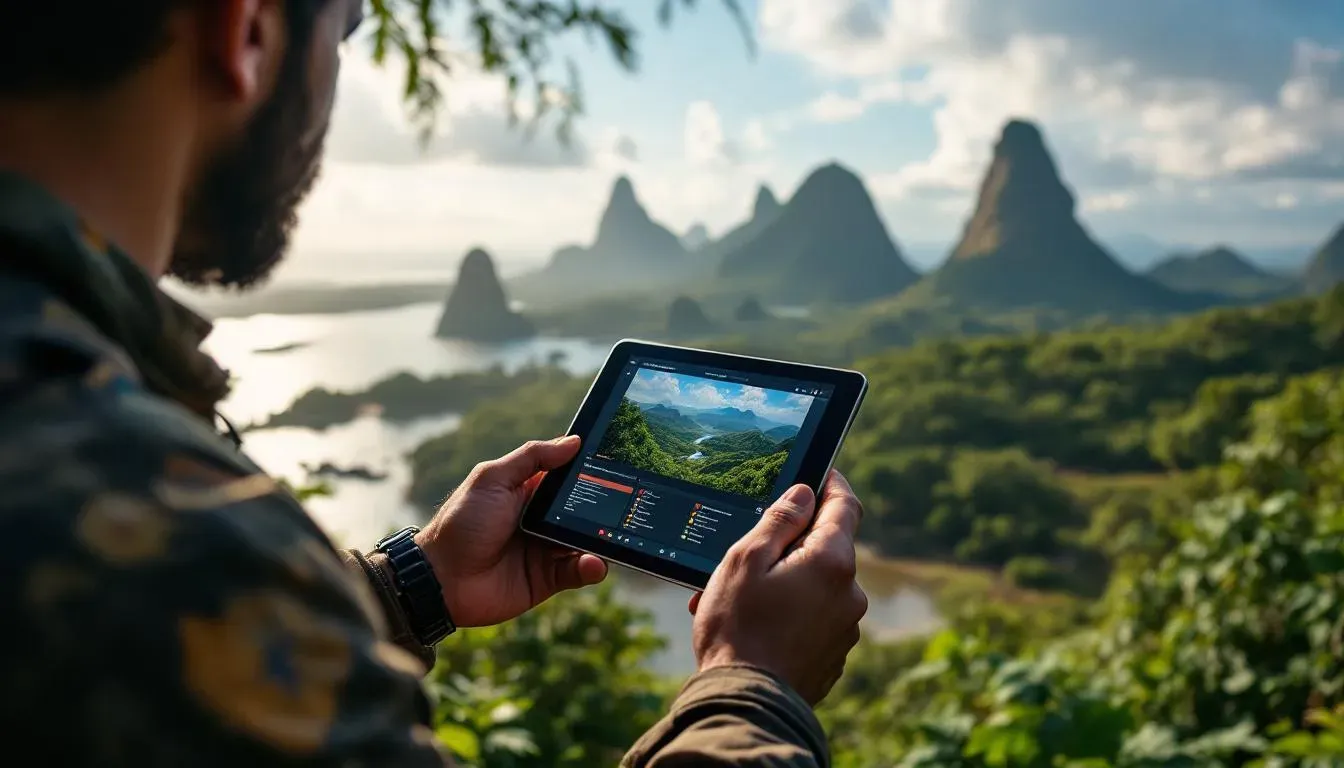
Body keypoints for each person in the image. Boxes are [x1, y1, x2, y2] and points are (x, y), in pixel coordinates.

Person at [0, 1, 869, 765]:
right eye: (347, 26)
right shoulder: (149, 517)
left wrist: (413, 584)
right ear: (247, 27)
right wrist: (755, 683)